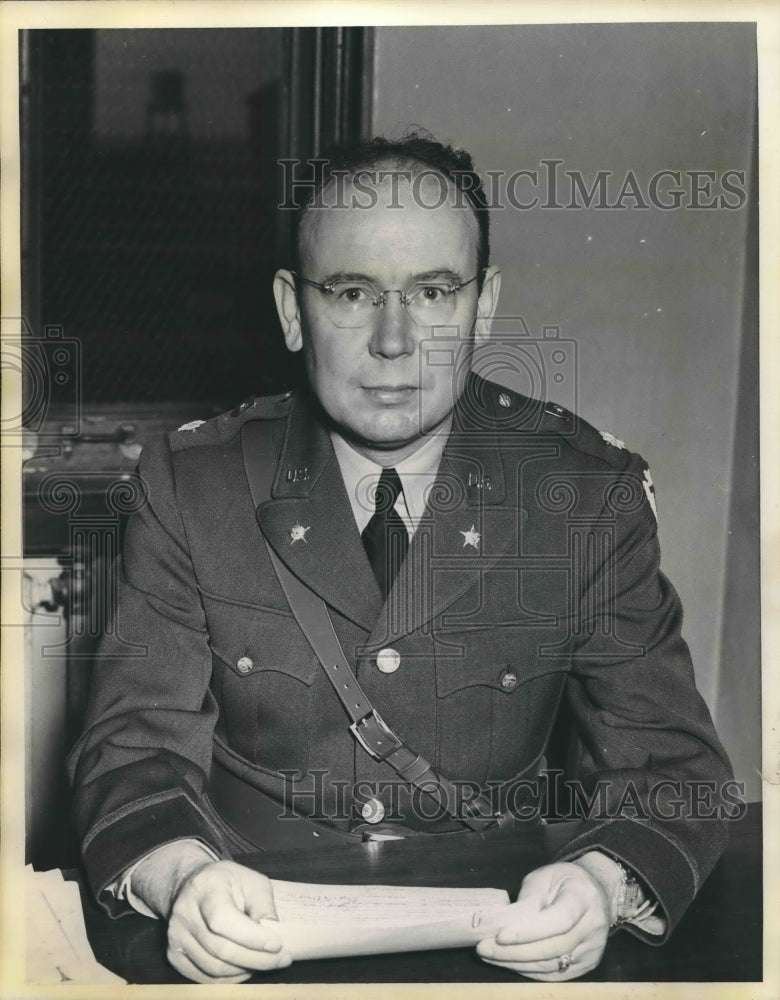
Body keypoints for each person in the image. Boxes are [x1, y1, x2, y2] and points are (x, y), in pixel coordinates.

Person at [67, 133, 734, 984]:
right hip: (247, 928)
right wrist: (183, 877)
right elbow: (131, 750)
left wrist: (602, 884)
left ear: (484, 306)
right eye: (350, 291)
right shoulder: (194, 485)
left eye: (433, 292)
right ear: (290, 309)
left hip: (505, 935)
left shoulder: (583, 494)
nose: (394, 340)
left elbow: (672, 766)